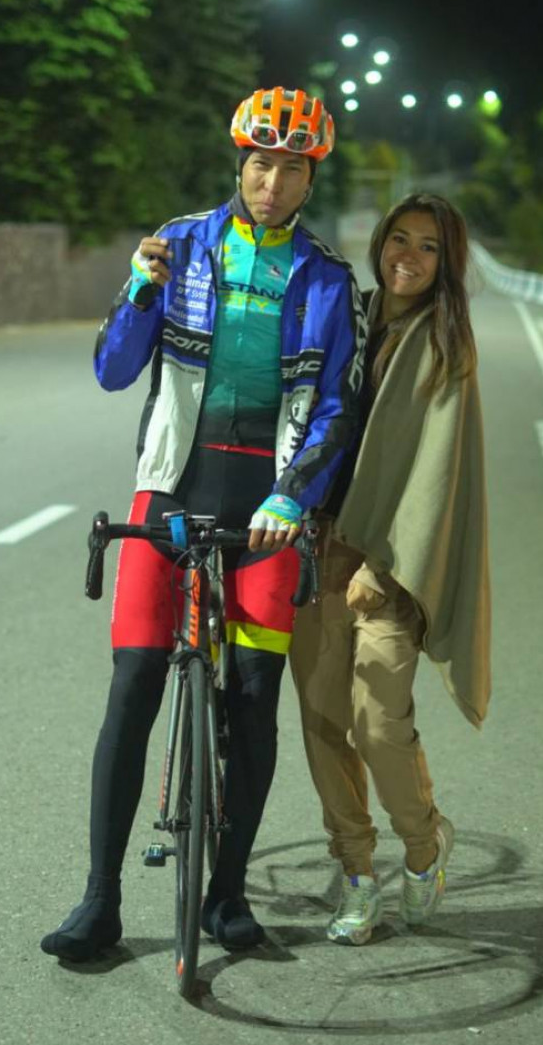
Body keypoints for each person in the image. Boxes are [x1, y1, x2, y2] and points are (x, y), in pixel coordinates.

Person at [40, 87, 366, 961]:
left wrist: (293, 496)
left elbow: (337, 406)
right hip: (170, 489)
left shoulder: (328, 279)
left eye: (290, 169)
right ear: (240, 165)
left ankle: (226, 895)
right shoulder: (179, 244)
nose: (272, 182)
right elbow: (114, 371)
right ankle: (99, 900)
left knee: (254, 695)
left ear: (310, 180)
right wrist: (139, 290)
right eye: (260, 164)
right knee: (134, 682)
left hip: (268, 504)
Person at [290, 193, 491, 945]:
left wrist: (380, 564)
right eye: (399, 238)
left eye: (428, 247)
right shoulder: (350, 317)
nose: (409, 255)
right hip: (319, 544)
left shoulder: (445, 344)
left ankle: (423, 842)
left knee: (377, 722)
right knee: (322, 721)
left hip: (394, 561)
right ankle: (355, 874)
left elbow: (434, 474)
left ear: (448, 263)